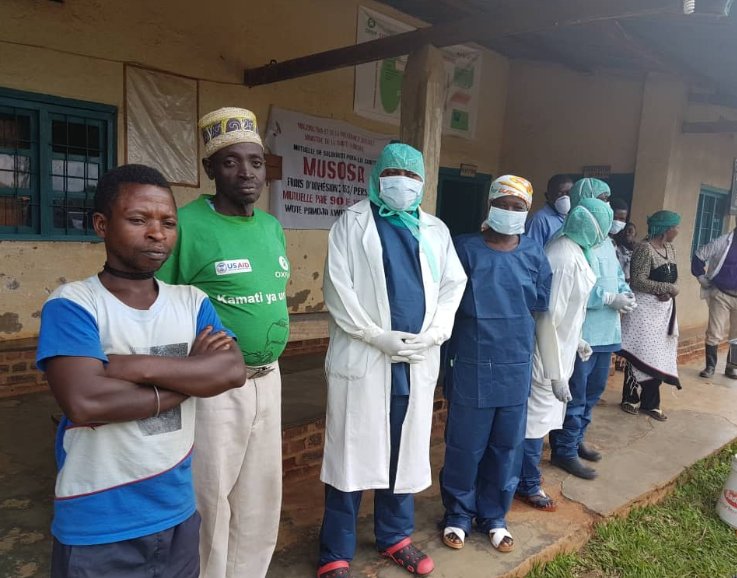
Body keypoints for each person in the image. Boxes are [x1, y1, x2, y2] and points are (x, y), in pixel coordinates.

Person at [36, 164, 247, 578]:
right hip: (98, 519)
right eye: (138, 220)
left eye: (168, 223)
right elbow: (86, 400)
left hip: (177, 510)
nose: (156, 233)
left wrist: (133, 366)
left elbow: (231, 370)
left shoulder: (192, 301)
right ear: (102, 225)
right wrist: (191, 377)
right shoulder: (74, 303)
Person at [317, 143, 467, 578]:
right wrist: (374, 335)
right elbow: (337, 289)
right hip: (365, 356)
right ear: (377, 177)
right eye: (394, 173)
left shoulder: (435, 230)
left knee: (404, 451)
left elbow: (452, 285)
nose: (403, 182)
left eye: (412, 175)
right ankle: (335, 552)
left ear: (423, 182)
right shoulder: (352, 223)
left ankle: (395, 536)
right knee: (349, 453)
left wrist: (435, 333)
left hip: (415, 360)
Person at [157, 107, 290, 578]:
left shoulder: (271, 227)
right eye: (231, 162)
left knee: (260, 495)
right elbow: (157, 304)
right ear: (209, 168)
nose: (247, 173)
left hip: (268, 380)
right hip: (213, 388)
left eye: (255, 161)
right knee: (209, 496)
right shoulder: (184, 225)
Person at [440, 175, 551, 554]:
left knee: (506, 446)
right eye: (502, 204)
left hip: (515, 364)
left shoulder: (535, 255)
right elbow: (446, 305)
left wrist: (552, 366)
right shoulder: (464, 249)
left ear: (527, 211)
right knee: (465, 444)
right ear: (489, 206)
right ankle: (457, 514)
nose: (509, 211)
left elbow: (540, 308)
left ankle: (494, 516)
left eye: (517, 206)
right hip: (471, 361)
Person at [517, 198, 611, 510]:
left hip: (561, 349)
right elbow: (546, 317)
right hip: (546, 357)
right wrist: (555, 373)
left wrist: (578, 340)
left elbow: (571, 311)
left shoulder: (577, 251)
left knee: (542, 420)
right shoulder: (562, 256)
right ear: (592, 226)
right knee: (534, 423)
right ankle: (527, 483)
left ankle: (525, 477)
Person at [549, 182, 635, 479]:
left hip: (606, 332)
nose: (608, 207)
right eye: (602, 199)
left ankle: (577, 439)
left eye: (608, 200)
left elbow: (616, 275)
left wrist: (625, 293)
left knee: (594, 392)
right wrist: (607, 298)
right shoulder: (572, 241)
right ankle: (564, 449)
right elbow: (576, 290)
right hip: (583, 333)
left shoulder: (605, 241)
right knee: (575, 394)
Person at [619, 211, 682, 421]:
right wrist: (666, 288)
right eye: (675, 227)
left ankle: (651, 402)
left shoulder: (670, 249)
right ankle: (630, 397)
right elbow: (637, 280)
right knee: (639, 351)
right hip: (643, 310)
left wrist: (668, 291)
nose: (677, 231)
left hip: (662, 311)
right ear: (666, 229)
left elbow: (673, 278)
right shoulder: (644, 249)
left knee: (657, 355)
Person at [691, 226, 737, 379]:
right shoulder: (722, 242)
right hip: (721, 294)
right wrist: (701, 277)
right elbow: (699, 256)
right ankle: (710, 367)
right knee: (714, 331)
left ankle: (732, 367)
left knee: (736, 336)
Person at [525, 173, 573, 246]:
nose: (565, 198)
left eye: (569, 193)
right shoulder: (539, 220)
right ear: (548, 196)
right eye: (559, 194)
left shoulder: (572, 216)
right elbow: (532, 250)